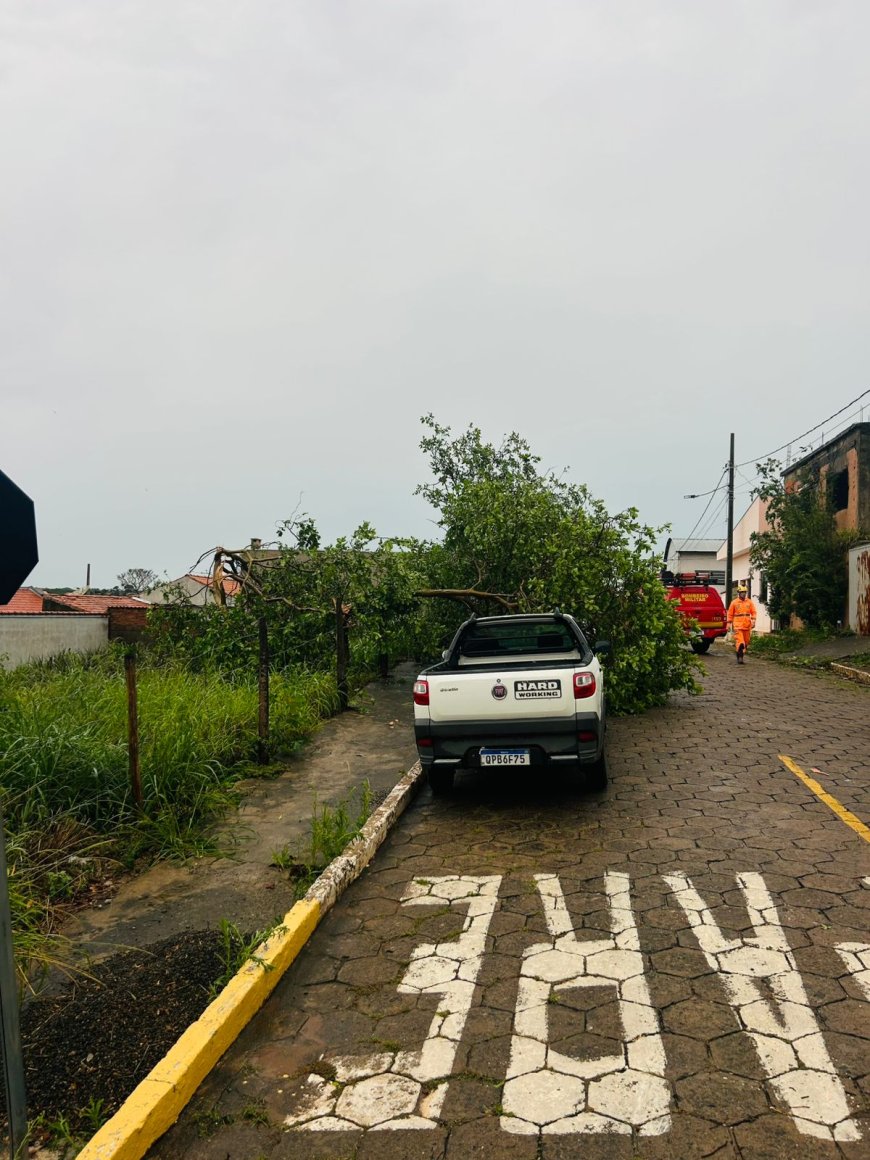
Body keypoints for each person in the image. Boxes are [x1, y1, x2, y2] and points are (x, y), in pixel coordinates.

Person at [726, 583, 757, 664]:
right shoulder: (734, 602)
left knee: (746, 642)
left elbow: (753, 612)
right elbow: (730, 614)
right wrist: (728, 624)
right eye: (742, 592)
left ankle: (740, 655)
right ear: (738, 593)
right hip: (738, 626)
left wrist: (753, 620)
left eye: (744, 592)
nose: (743, 594)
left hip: (747, 625)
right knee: (741, 642)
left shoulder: (749, 602)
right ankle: (740, 658)